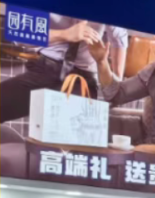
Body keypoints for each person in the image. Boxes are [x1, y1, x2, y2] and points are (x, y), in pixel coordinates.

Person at [0, 16, 128, 124]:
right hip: (44, 69)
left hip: (82, 79)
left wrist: (115, 88)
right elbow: (20, 35)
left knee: (62, 131)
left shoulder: (107, 0)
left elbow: (119, 39)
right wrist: (64, 34)